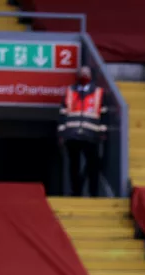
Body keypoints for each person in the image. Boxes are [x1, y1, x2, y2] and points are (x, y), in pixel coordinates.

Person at [58, 66, 106, 197]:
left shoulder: (98, 92)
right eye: (81, 73)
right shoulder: (70, 91)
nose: (84, 75)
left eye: (86, 73)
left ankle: (93, 193)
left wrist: (102, 134)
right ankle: (76, 192)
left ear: (91, 76)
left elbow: (103, 114)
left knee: (92, 166)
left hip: (91, 136)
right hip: (72, 135)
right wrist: (62, 134)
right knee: (74, 166)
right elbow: (63, 113)